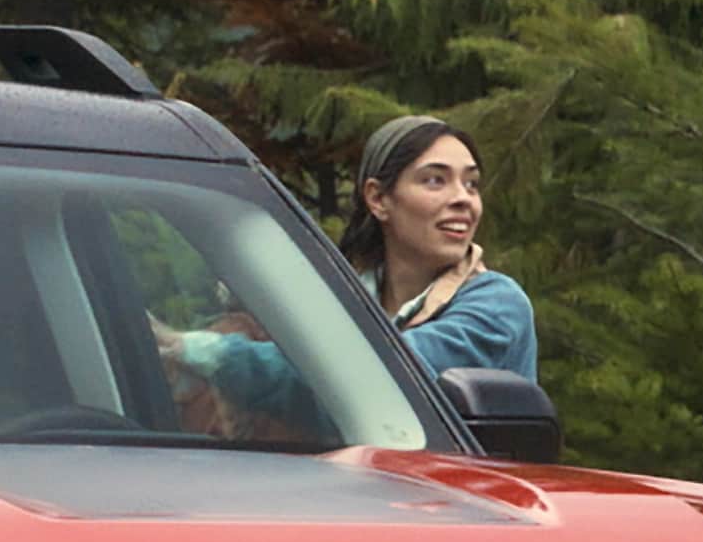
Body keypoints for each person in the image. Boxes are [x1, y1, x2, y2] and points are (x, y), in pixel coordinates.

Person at [158, 116, 538, 427]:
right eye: (435, 180)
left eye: (471, 184)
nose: (463, 199)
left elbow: (373, 369)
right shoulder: (346, 298)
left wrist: (197, 351)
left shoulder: (498, 306)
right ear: (378, 199)